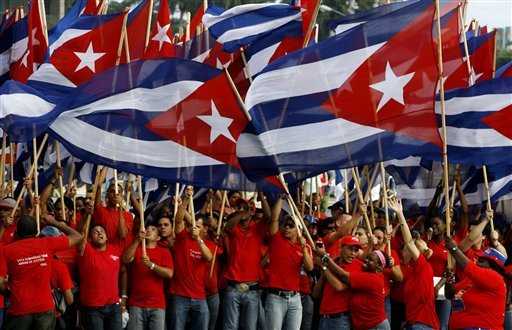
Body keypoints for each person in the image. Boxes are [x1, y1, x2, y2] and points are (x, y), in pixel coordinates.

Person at [0, 214, 82, 330]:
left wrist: (9, 293)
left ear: (17, 233)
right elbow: (78, 236)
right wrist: (54, 222)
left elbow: (0, 282)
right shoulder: (46, 243)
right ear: (37, 232)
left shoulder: (6, 251)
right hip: (45, 310)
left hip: (19, 309)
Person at [388, 198, 439, 330]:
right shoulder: (409, 271)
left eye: (407, 249)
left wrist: (400, 214)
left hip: (424, 325)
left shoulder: (423, 267)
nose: (406, 249)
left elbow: (410, 242)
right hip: (412, 324)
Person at [264, 196, 314, 330]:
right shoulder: (277, 240)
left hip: (295, 298)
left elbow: (310, 267)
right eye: (285, 225)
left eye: (291, 226)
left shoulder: (304, 246)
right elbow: (274, 219)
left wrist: (303, 248)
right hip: (276, 297)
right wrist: (280, 198)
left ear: (298, 230)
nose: (286, 228)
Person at [223, 196, 270, 330]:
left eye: (246, 208)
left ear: (252, 211)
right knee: (230, 327)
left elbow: (268, 216)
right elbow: (227, 226)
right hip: (233, 287)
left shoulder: (257, 228)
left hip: (252, 289)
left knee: (250, 327)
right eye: (239, 207)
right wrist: (241, 214)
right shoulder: (233, 227)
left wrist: (262, 195)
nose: (242, 210)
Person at [317, 248, 391, 329]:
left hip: (376, 326)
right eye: (367, 257)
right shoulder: (367, 274)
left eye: (371, 260)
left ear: (379, 267)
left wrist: (325, 259)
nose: (366, 260)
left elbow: (343, 276)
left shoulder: (374, 279)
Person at [170, 199, 214, 330]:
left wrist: (198, 240)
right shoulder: (182, 237)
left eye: (197, 227)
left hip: (199, 296)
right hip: (180, 295)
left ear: (203, 230)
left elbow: (209, 257)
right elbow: (178, 220)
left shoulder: (206, 244)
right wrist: (184, 201)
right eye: (191, 225)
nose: (193, 228)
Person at [446, 237, 507, 329]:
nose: (477, 262)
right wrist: (449, 278)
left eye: (481, 261)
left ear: (493, 265)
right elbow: (449, 294)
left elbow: (470, 268)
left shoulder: (496, 278)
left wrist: (454, 249)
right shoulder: (471, 280)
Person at [123, 225, 173, 330]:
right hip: (136, 303)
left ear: (158, 238)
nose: (149, 230)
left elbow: (169, 273)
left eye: (153, 229)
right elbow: (126, 259)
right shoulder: (137, 249)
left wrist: (152, 265)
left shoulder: (164, 252)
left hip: (157, 304)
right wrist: (137, 241)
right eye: (147, 229)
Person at [78, 224, 123, 330]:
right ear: (89, 239)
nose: (99, 233)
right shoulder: (86, 251)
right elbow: (81, 235)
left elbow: (124, 270)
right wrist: (88, 215)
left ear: (107, 237)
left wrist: (124, 296)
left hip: (114, 306)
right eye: (95, 231)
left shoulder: (115, 249)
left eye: (102, 231)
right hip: (93, 308)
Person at [316, 235, 363, 329]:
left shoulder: (358, 266)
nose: (353, 253)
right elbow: (316, 293)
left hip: (341, 319)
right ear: (341, 248)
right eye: (350, 249)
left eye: (356, 250)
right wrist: (324, 269)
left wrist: (324, 267)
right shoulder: (333, 262)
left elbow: (339, 287)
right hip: (324, 317)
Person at [93, 170, 134, 248]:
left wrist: (121, 206)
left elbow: (122, 234)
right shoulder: (101, 211)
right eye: (112, 191)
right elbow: (98, 187)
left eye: (119, 192)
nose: (116, 194)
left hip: (123, 253)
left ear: (122, 196)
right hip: (107, 252)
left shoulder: (128, 215)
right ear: (107, 195)